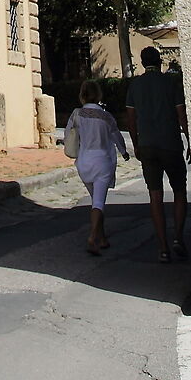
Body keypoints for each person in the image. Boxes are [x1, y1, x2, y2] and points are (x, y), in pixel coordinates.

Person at [122, 47, 189, 262]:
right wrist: (190, 139)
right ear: (159, 61)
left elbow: (130, 119)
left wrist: (136, 144)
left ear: (142, 63)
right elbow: (181, 114)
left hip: (147, 144)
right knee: (179, 190)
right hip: (170, 143)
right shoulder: (171, 83)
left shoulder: (135, 86)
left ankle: (162, 248)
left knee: (155, 194)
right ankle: (178, 236)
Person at [63, 79, 129, 254]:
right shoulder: (106, 116)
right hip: (102, 161)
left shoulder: (77, 114)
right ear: (98, 94)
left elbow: (67, 134)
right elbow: (117, 137)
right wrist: (125, 152)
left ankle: (102, 237)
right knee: (98, 203)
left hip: (84, 162)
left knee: (95, 202)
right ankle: (93, 237)